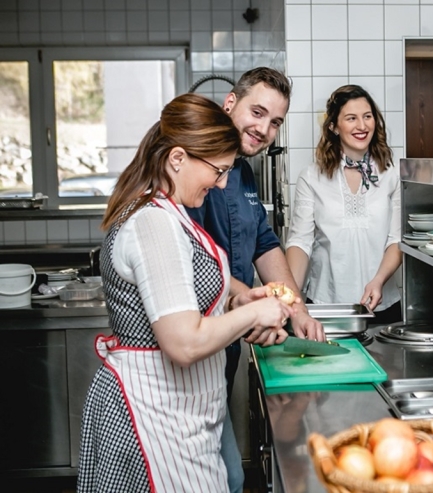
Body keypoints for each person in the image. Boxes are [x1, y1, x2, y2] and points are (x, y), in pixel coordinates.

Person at [78, 93, 296, 492]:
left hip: (180, 414)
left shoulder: (172, 213)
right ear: (178, 159)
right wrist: (255, 313)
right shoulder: (153, 224)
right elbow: (182, 342)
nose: (222, 183)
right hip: (153, 417)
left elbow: (189, 290)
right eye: (218, 170)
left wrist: (238, 299)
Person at [185, 67, 325, 493]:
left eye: (276, 122)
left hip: (223, 351)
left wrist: (295, 308)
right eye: (257, 113)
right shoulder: (193, 168)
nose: (264, 129)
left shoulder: (243, 172)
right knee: (216, 476)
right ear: (230, 103)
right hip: (191, 344)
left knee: (224, 473)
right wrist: (253, 302)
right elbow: (195, 259)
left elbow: (264, 245)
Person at [285, 85, 402, 325]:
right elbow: (300, 241)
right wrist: (290, 299)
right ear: (334, 126)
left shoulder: (393, 174)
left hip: (383, 304)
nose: (362, 126)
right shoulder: (311, 177)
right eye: (351, 118)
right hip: (326, 305)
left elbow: (396, 239)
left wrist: (378, 280)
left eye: (367, 116)